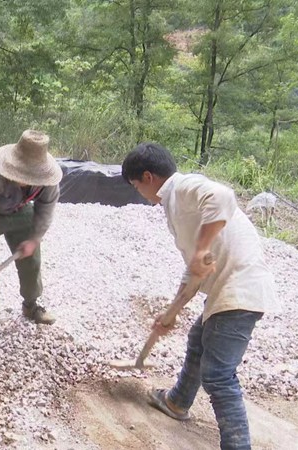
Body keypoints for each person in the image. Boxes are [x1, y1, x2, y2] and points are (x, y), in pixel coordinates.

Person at [121, 142, 278, 450]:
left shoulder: (183, 186)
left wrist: (203, 247)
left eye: (136, 186)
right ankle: (178, 401)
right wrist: (172, 312)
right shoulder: (176, 203)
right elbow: (196, 269)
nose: (139, 193)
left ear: (148, 177)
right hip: (226, 291)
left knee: (218, 376)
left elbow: (222, 196)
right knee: (197, 340)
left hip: (239, 291)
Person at [0, 130, 63, 351]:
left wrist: (34, 239)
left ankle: (31, 305)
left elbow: (46, 211)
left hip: (20, 208)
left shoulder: (49, 179)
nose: (25, 180)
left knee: (32, 259)